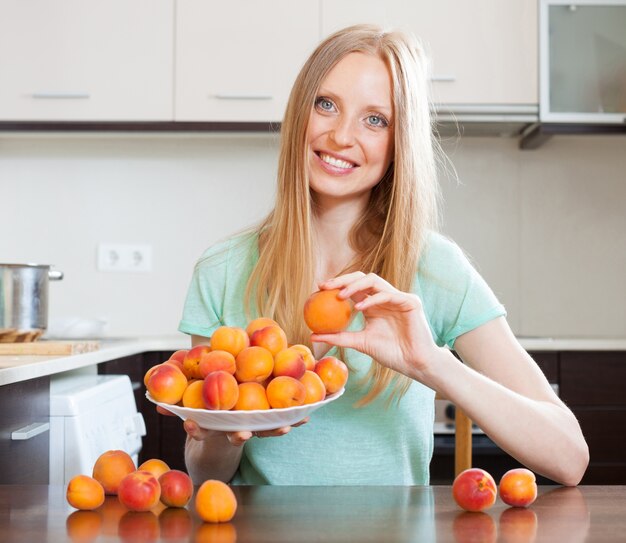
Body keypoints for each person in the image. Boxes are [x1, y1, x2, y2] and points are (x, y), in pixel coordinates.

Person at [174, 24, 589, 486]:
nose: (340, 135)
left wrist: (431, 363)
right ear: (299, 114)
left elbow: (569, 458)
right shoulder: (222, 270)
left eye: (375, 120)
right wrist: (220, 430)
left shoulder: (434, 267)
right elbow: (206, 472)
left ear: (398, 144)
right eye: (326, 104)